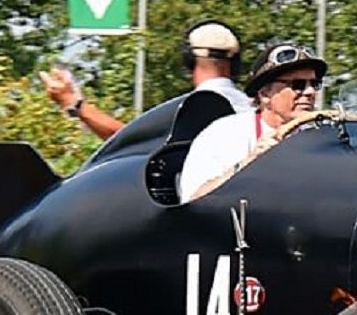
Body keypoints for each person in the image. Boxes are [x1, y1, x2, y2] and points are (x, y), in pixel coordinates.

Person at [40, 19, 250, 140]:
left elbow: (129, 140)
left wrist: (75, 104)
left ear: (188, 59)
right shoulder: (253, 108)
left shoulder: (187, 111)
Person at [177, 42, 326, 201]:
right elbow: (192, 201)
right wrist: (248, 164)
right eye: (298, 85)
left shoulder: (321, 139)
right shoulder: (222, 135)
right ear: (264, 94)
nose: (310, 92)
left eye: (315, 84)